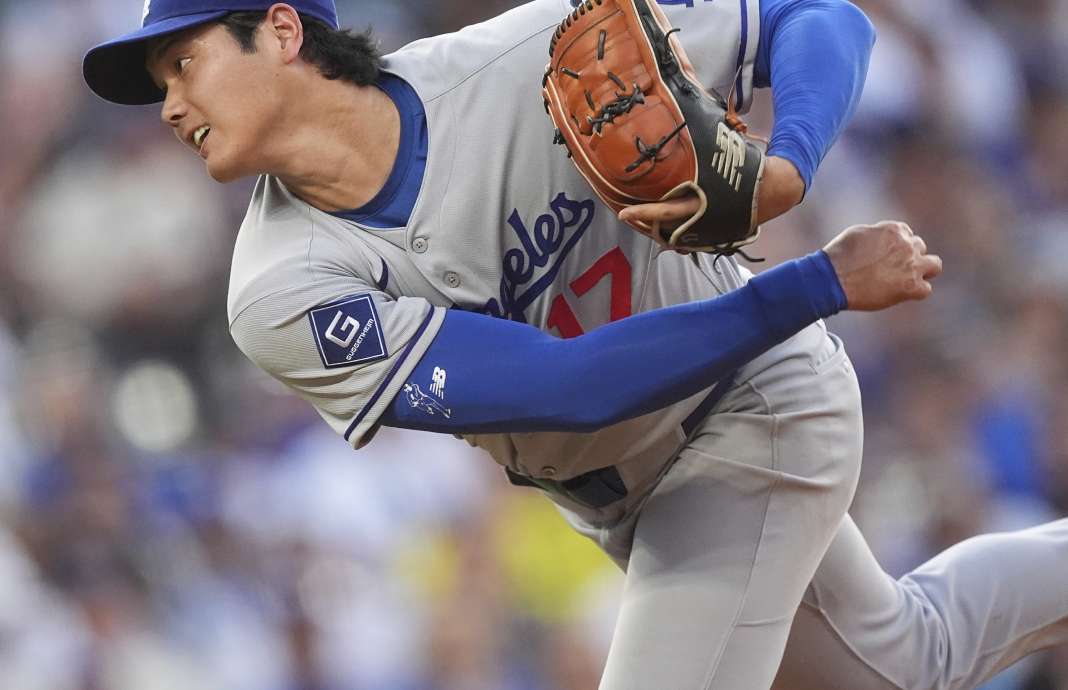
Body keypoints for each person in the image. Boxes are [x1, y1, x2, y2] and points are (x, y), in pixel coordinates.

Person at [83, 1, 1067, 688]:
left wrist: (789, 166)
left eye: (185, 63)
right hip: (634, 495)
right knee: (907, 662)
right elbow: (567, 390)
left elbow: (816, 18)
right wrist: (812, 284)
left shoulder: (517, 62)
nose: (170, 103)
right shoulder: (279, 290)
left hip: (753, 408)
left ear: (282, 31)